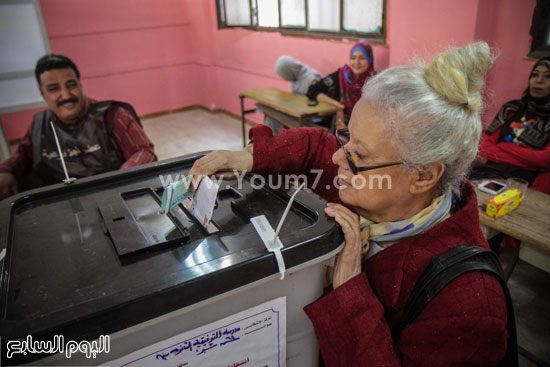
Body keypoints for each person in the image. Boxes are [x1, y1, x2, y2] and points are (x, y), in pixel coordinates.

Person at [191, 42, 508, 366]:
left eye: (358, 154)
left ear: (424, 176)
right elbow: (318, 145)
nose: (337, 158)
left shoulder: (468, 304)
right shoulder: (381, 184)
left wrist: (349, 288)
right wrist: (250, 156)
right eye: (348, 140)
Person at [0, 54, 157, 200]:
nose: (66, 95)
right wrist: (5, 171)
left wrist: (121, 178)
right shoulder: (38, 125)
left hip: (113, 198)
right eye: (54, 88)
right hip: (60, 205)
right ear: (43, 94)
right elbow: (21, 156)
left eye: (71, 85)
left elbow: (144, 151)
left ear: (80, 85)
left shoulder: (113, 115)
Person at [471, 56, 550, 194]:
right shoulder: (511, 109)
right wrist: (529, 161)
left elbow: (544, 160)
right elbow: (486, 147)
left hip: (525, 182)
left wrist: (504, 147)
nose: (538, 81)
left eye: (548, 76)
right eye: (535, 75)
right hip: (491, 172)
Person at [266, 41, 375, 133]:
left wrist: (350, 129)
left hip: (363, 129)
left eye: (362, 58)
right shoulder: (341, 75)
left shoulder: (375, 82)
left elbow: (375, 114)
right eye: (353, 57)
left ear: (369, 59)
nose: (356, 62)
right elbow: (313, 90)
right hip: (338, 125)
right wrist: (338, 106)